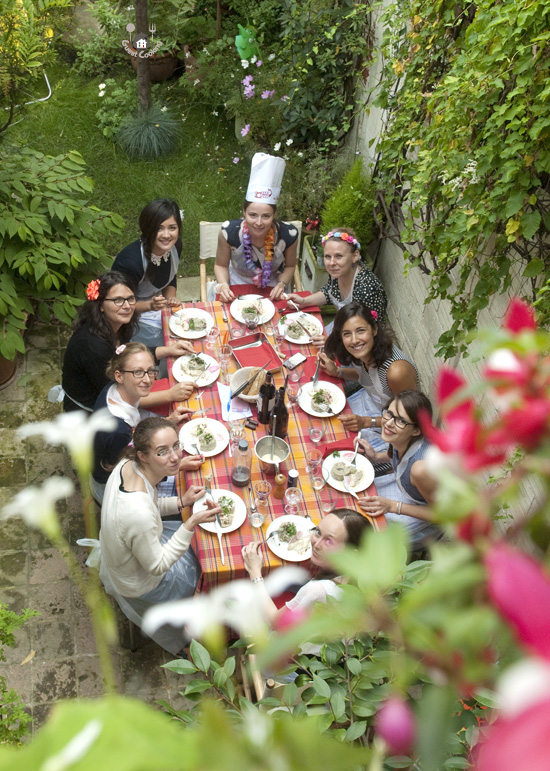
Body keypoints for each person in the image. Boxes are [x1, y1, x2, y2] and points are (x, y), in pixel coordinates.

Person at [99, 417, 221, 655]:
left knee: (201, 544)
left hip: (131, 546)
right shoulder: (137, 513)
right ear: (143, 455)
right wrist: (190, 523)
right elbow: (157, 565)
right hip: (143, 580)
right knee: (210, 569)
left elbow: (151, 505)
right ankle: (193, 637)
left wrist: (181, 501)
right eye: (162, 452)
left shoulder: (128, 463)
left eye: (176, 446)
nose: (175, 457)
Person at [61, 271, 195, 413]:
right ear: (100, 305)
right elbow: (119, 395)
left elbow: (126, 353)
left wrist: (168, 350)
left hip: (116, 390)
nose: (126, 306)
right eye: (117, 300)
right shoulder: (93, 347)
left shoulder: (117, 324)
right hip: (94, 410)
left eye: (130, 299)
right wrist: (169, 395)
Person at [91, 343, 203, 503]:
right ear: (119, 375)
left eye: (150, 371)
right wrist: (179, 466)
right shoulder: (118, 430)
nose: (147, 379)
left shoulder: (114, 390)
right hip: (114, 489)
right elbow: (132, 474)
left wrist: (168, 421)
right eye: (138, 372)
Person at [241, 509, 371, 624]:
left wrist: (255, 572)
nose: (316, 544)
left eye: (329, 541)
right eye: (318, 532)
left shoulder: (315, 590)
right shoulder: (367, 575)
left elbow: (275, 622)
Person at [319, 301, 418, 441]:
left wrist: (367, 422)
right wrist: (338, 371)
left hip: (392, 428)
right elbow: (366, 377)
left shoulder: (396, 371)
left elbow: (410, 417)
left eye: (361, 331)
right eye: (347, 334)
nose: (354, 340)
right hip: (368, 403)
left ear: (375, 329)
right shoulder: (362, 354)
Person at [356, 390, 442, 547]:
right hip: (407, 492)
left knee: (363, 536)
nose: (388, 423)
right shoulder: (401, 438)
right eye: (389, 413)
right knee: (357, 499)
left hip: (425, 514)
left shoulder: (420, 469)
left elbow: (443, 515)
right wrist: (375, 456)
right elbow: (397, 455)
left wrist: (393, 506)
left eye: (401, 421)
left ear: (416, 430)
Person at [214, 153, 298, 302]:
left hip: (272, 286)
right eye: (252, 215)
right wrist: (223, 285)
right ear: (244, 212)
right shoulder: (229, 232)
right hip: (235, 283)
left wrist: (282, 283)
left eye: (266, 216)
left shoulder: (288, 235)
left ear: (274, 214)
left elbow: (290, 266)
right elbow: (220, 265)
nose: (259, 223)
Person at [286, 228, 387, 341]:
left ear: (355, 256)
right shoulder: (339, 272)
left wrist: (330, 342)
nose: (332, 263)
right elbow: (330, 291)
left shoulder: (367, 289)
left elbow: (366, 333)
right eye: (328, 256)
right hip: (341, 327)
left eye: (339, 256)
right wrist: (304, 301)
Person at [112, 199, 184, 349]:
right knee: (174, 342)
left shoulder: (175, 246)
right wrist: (150, 305)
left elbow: (170, 277)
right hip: (129, 317)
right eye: (159, 229)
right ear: (148, 229)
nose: (166, 235)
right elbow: (118, 305)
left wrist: (171, 297)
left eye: (172, 228)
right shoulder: (132, 263)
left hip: (156, 307)